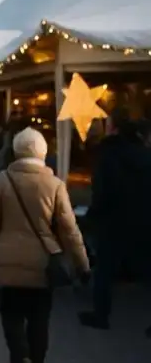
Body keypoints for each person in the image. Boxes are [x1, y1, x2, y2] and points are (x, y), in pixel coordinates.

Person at [0, 127, 89, 363]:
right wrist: (82, 264)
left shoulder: (2, 181)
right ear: (43, 152)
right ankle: (36, 358)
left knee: (10, 315)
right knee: (39, 318)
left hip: (8, 261)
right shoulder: (54, 185)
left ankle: (19, 355)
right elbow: (69, 230)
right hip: (42, 263)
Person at [78, 109, 151, 332]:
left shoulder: (107, 155)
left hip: (112, 221)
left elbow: (103, 191)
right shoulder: (144, 154)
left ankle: (101, 315)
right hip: (141, 219)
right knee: (146, 270)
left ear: (113, 128)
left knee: (104, 270)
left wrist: (93, 214)